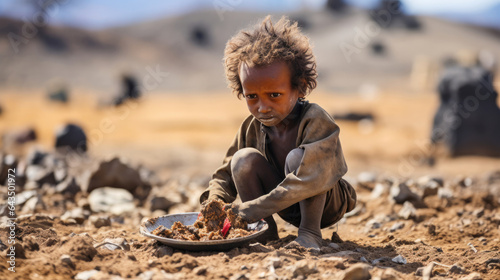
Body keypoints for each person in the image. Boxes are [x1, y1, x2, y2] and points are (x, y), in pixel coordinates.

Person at [199, 16, 357, 249]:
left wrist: (249, 210)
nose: (262, 107)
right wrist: (214, 203)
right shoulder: (251, 126)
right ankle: (265, 231)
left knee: (297, 158)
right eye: (252, 97)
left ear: (300, 86)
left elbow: (308, 180)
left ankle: (310, 233)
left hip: (325, 205)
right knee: (242, 160)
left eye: (274, 95)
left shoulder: (316, 120)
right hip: (278, 203)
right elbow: (225, 175)